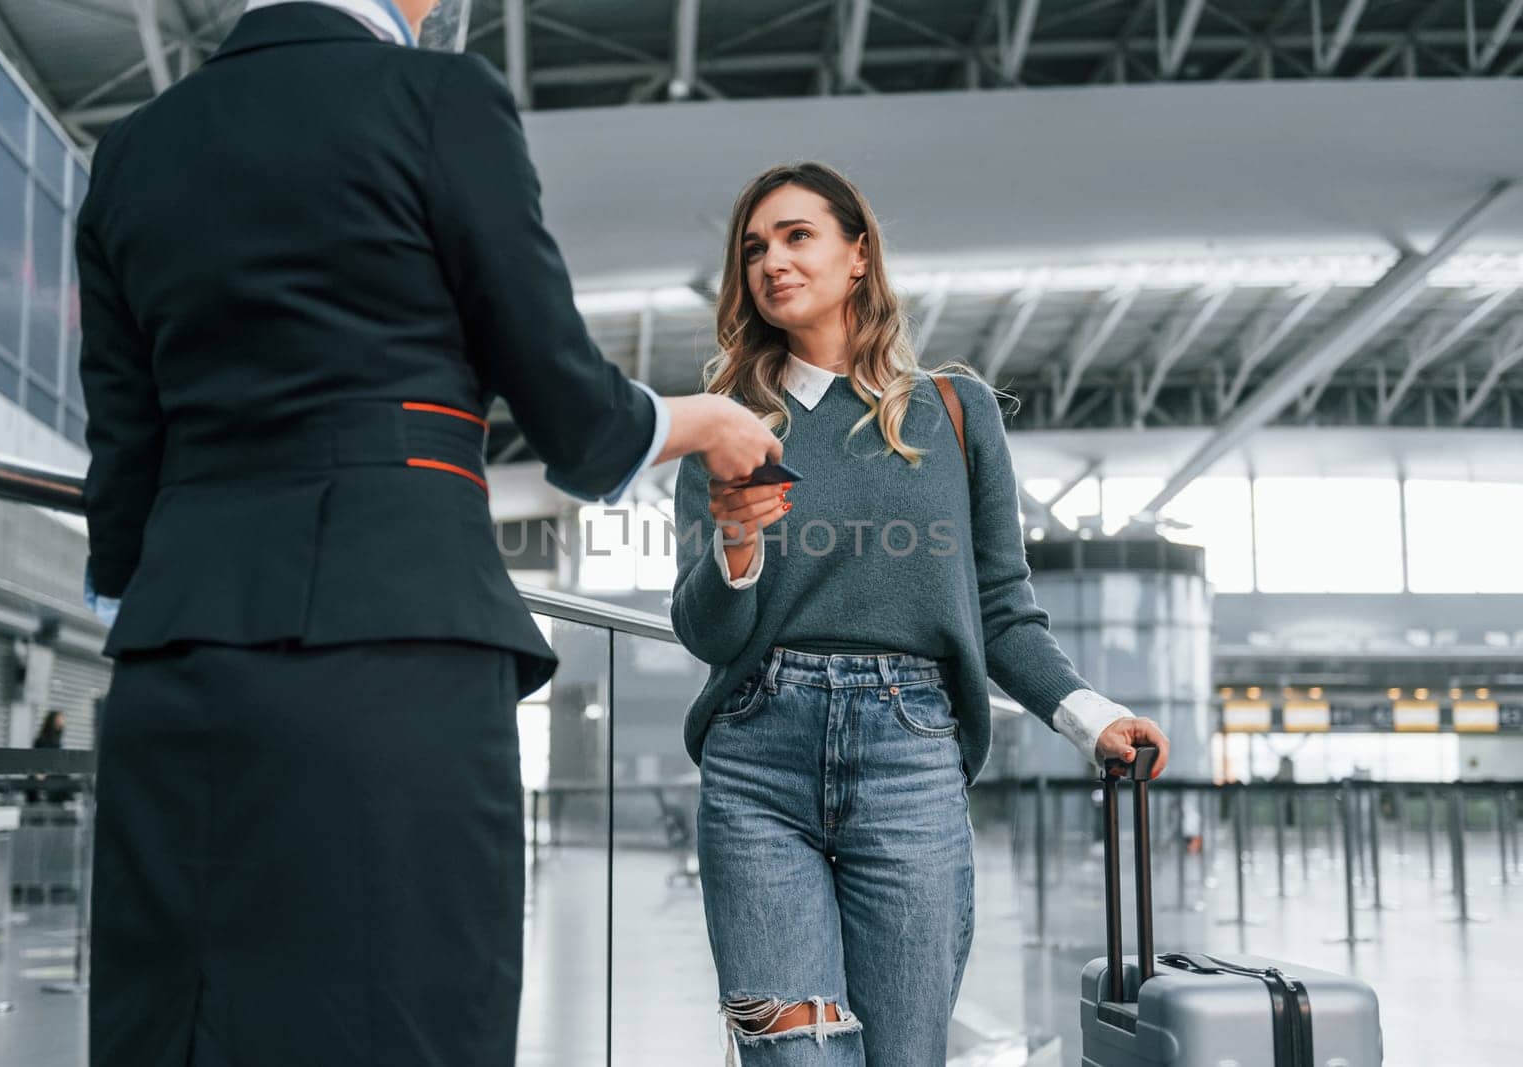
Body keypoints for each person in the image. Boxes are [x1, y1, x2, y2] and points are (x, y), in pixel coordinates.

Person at [75, 2, 780, 1064]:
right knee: (398, 1013)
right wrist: (712, 421)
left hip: (175, 663)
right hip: (391, 636)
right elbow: (572, 413)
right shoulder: (436, 99)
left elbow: (124, 451)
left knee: (181, 1022)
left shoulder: (132, 146)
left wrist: (151, 593)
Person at [670, 162, 1172, 1066]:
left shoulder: (955, 411)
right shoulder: (726, 425)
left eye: (796, 236)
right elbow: (706, 633)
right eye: (753, 250)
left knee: (907, 1053)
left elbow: (1002, 613)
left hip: (911, 758)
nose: (771, 263)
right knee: (792, 1056)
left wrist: (1091, 717)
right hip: (755, 765)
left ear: (858, 253)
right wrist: (736, 549)